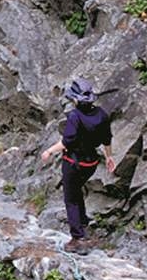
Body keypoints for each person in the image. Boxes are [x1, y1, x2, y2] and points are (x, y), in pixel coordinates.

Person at [39, 78, 114, 254]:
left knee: (70, 198)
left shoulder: (75, 116)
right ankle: (83, 223)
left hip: (74, 163)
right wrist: (109, 157)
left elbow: (67, 142)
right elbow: (107, 139)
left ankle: (78, 238)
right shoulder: (101, 114)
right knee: (77, 190)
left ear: (75, 99)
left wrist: (49, 151)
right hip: (91, 163)